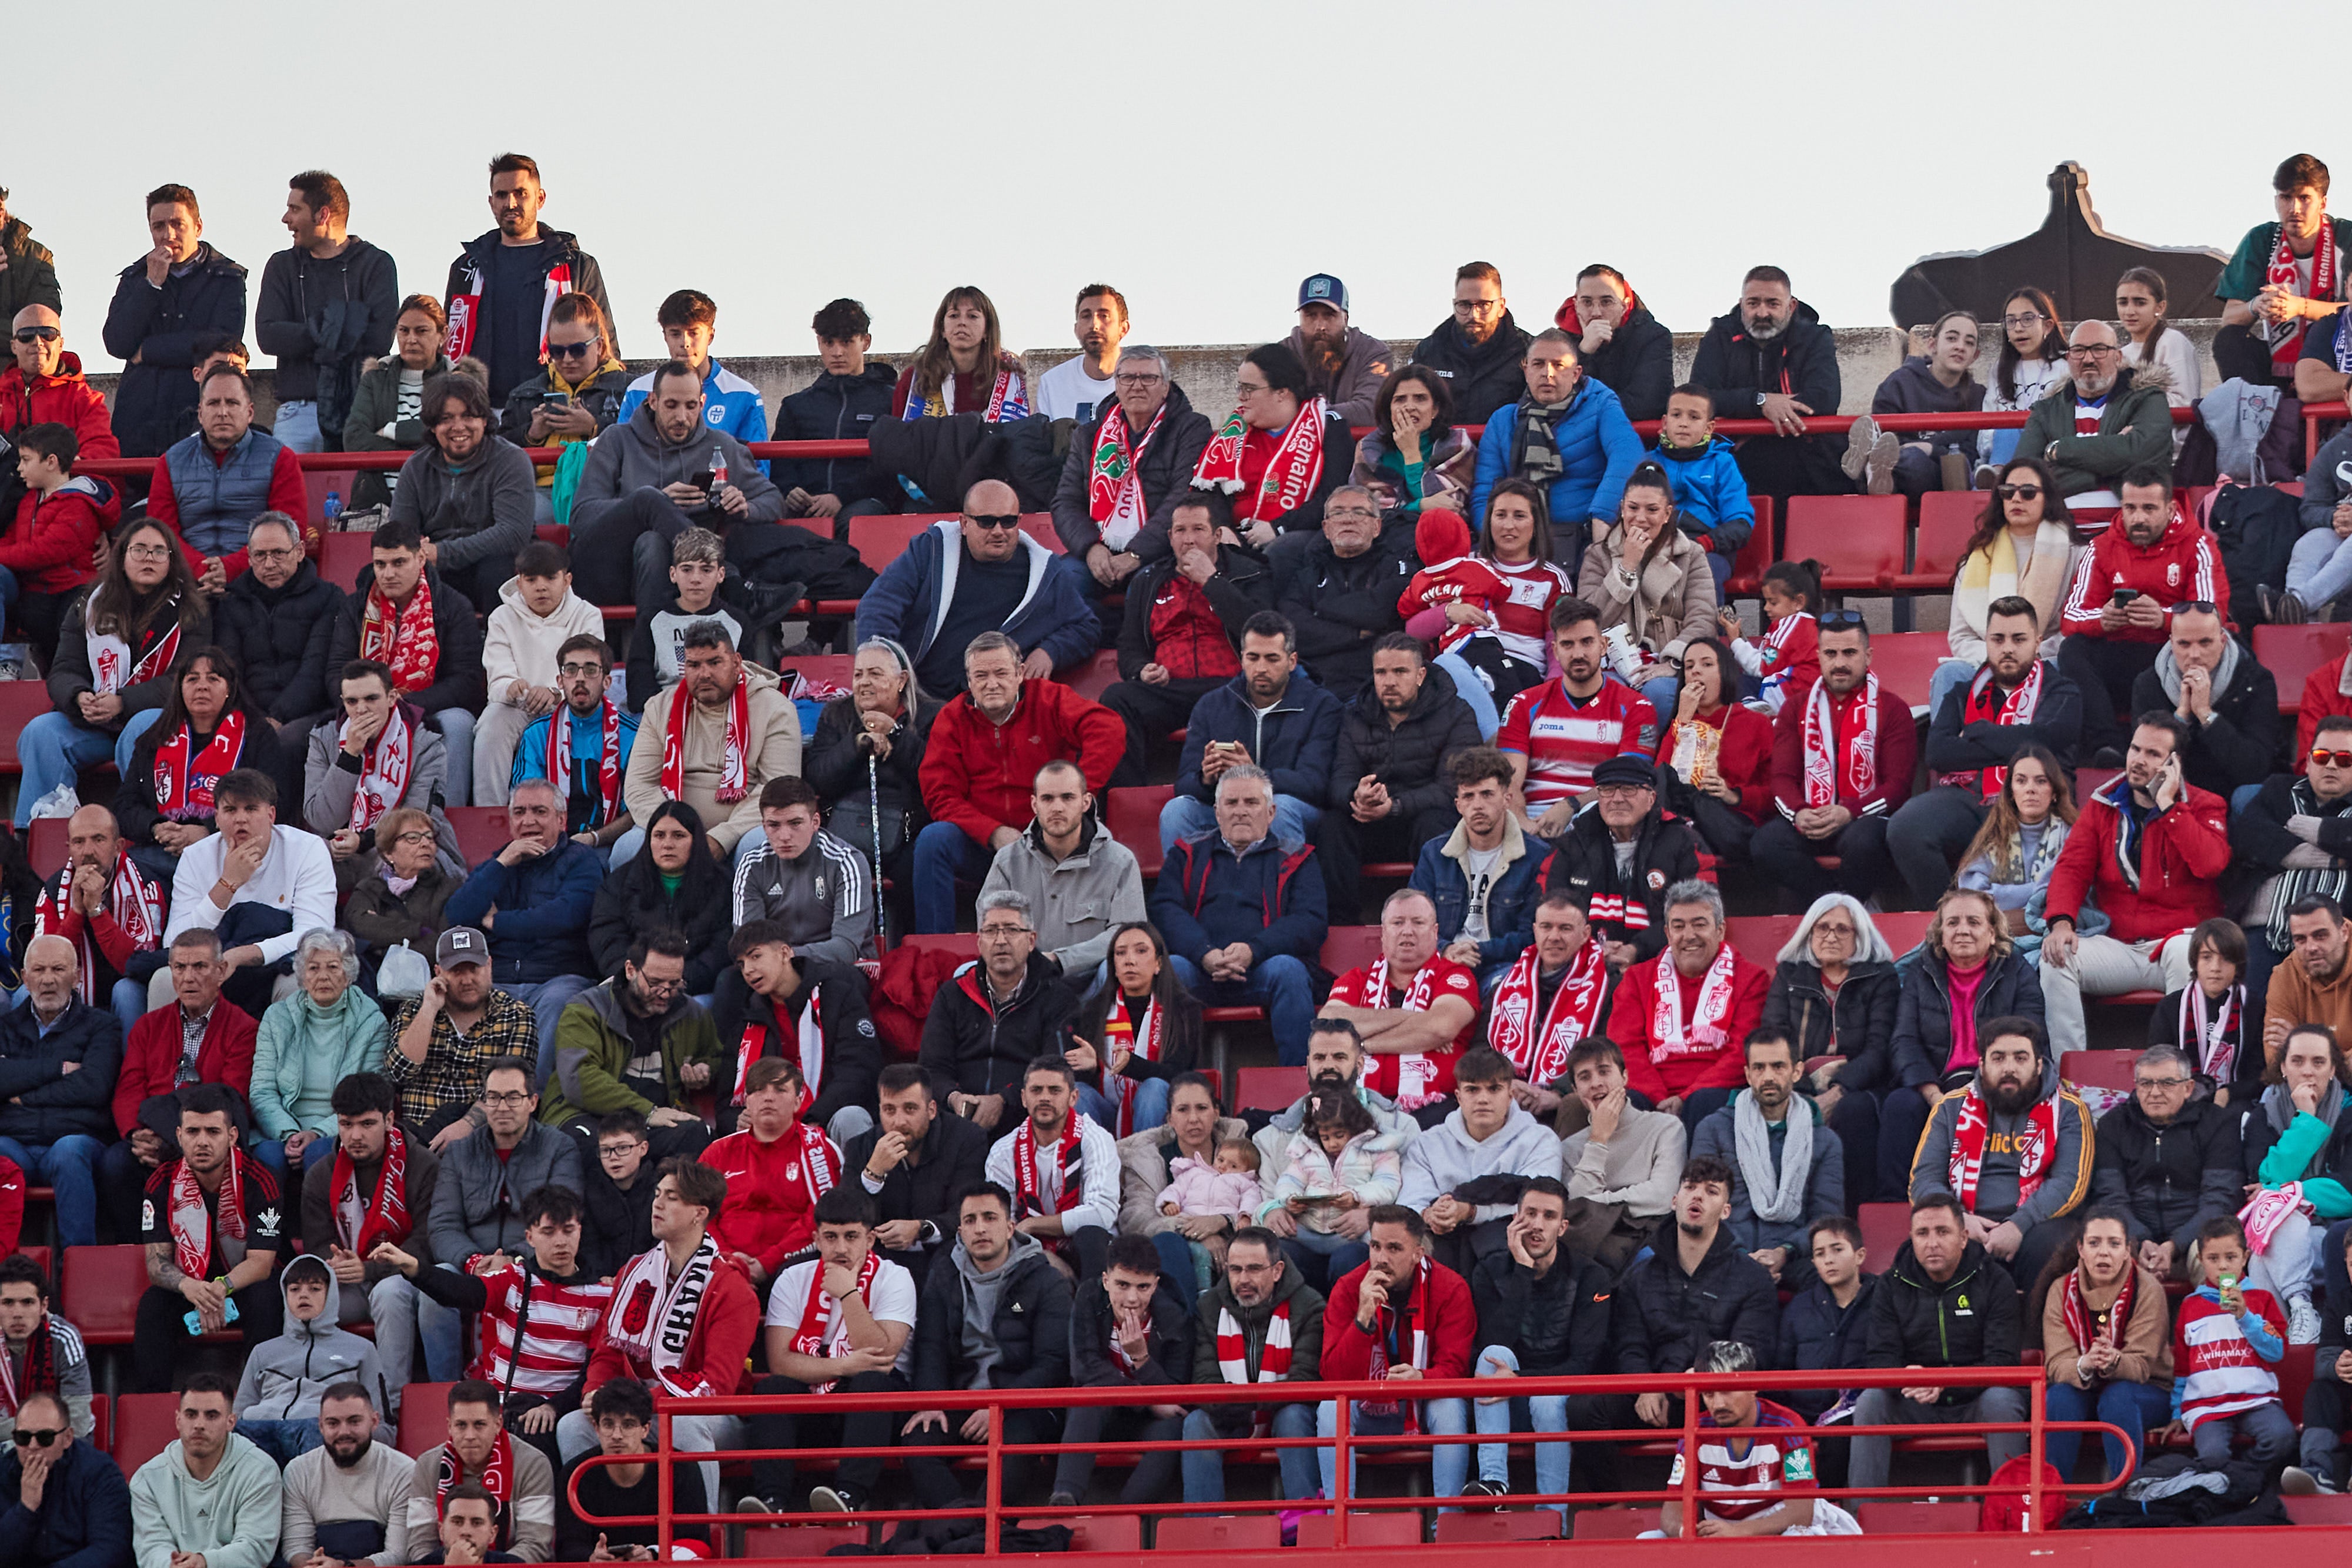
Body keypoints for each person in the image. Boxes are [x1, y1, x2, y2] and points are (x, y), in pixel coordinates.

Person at [556, 1158, 758, 1512]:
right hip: (636, 1406)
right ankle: (591, 1535)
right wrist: (595, 1393)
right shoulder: (634, 1271)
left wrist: (639, 1405)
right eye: (657, 1194)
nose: (658, 1204)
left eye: (672, 1198)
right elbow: (606, 1351)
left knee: (682, 1427)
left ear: (699, 1213)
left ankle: (699, 1539)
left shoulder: (732, 1289)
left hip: (708, 1412)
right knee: (574, 1426)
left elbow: (717, 1386)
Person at [2042, 713, 2227, 1052]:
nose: (2139, 760)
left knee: (2185, 951)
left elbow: (2210, 865)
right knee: (2057, 957)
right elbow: (2072, 869)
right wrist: (2061, 922)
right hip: (2119, 945)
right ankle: (2068, 1075)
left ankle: (2184, 1070)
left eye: (2153, 754)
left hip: (2176, 942)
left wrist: (2170, 807)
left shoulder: (2205, 804)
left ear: (2175, 764)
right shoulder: (2102, 804)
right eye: (2135, 749)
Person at [1572, 1161, 1778, 1460]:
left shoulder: (1752, 1278)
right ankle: (1612, 1504)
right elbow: (1630, 1345)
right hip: (1654, 1393)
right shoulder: (1640, 1275)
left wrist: (1700, 1381)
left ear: (1726, 1211)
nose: (1697, 1197)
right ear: (1674, 1201)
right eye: (1690, 1188)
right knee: (1581, 1410)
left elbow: (1750, 1351)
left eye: (1711, 1192)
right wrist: (1647, 1387)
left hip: (1716, 1396)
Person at [376, 1185, 610, 1445]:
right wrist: (414, 1266)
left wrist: (553, 1408)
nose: (560, 1241)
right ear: (530, 1237)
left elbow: (594, 1372)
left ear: (580, 1232)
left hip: (565, 1411)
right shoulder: (514, 1281)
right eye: (548, 1232)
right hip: (512, 1410)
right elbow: (462, 1291)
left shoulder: (602, 1295)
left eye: (569, 1231)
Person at [15, 517, 209, 829]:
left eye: (159, 552)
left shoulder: (192, 610)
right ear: (122, 556)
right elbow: (64, 668)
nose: (149, 558)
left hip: (156, 717)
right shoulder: (89, 604)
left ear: (172, 560)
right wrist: (80, 696)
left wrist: (123, 701)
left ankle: (139, 831)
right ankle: (40, 838)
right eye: (140, 550)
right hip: (93, 724)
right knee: (42, 731)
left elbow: (186, 679)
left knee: (142, 727)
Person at [1890, 597, 2083, 908]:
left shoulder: (2062, 691)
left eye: (2018, 639)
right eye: (1998, 639)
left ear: (2037, 642)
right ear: (1986, 642)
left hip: (2036, 800)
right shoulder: (1962, 693)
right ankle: (1950, 916)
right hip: (1969, 796)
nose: (2007, 648)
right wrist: (2019, 744)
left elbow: (2046, 744)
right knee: (1906, 826)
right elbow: (1939, 754)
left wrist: (1979, 733)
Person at [897, 1182, 1071, 1520]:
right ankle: (965, 1526)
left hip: (1023, 1405)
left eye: (990, 1218)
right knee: (918, 1440)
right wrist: (932, 1401)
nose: (980, 1228)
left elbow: (1053, 1363)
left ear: (1009, 1227)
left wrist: (999, 1406)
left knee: (1018, 1443)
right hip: (962, 1401)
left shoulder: (1044, 1279)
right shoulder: (943, 1273)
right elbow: (930, 1346)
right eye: (971, 1220)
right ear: (960, 1230)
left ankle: (974, 1528)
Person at [564, 359, 786, 611]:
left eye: (691, 406)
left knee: (653, 543)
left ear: (702, 404)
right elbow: (581, 517)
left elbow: (773, 499)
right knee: (648, 500)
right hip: (608, 568)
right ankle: (732, 582)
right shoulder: (616, 439)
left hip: (676, 575)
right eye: (671, 405)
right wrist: (655, 503)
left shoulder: (721, 446)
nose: (682, 417)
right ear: (653, 401)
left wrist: (746, 507)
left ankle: (645, 649)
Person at [1847, 1195, 2026, 1493]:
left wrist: (1944, 1383)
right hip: (1914, 1401)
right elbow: (1880, 1359)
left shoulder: (1996, 1281)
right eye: (1922, 1233)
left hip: (1976, 1400)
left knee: (2002, 1402)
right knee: (1870, 1403)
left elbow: (2003, 1362)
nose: (1932, 1243)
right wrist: (1908, 1377)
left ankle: (2017, 1512)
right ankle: (1861, 1521)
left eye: (1943, 1232)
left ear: (1964, 1237)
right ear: (1912, 1239)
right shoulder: (1890, 1284)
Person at [1452, 1179, 1611, 1513]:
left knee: (1547, 1397)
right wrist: (1523, 1270)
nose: (1538, 1225)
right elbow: (1490, 1347)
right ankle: (1494, 1483)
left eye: (1549, 1216)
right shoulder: (1490, 1270)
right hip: (1500, 1403)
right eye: (1530, 1214)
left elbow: (1583, 1363)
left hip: (1556, 1401)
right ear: (1515, 1219)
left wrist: (1521, 1380)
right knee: (1493, 1357)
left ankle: (1552, 1513)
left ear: (1563, 1227)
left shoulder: (1590, 1277)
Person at [1151, 764, 1327, 1064]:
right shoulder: (1186, 853)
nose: (1241, 811)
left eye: (1252, 802)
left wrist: (1253, 950)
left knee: (1289, 970)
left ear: (1271, 813)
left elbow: (1310, 921)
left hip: (1264, 968)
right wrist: (1204, 953)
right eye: (1231, 803)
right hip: (1200, 968)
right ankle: (1175, 1087)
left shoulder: (1298, 857)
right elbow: (1165, 910)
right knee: (1173, 970)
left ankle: (1301, 1084)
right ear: (1217, 813)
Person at [1883, 887, 2048, 1204]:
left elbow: (2031, 1035)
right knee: (1899, 1107)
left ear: (1991, 932)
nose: (1962, 930)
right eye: (1953, 923)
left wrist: (1985, 1085)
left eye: (1973, 922)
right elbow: (1904, 1040)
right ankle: (1895, 1206)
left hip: (1995, 1080)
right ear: (1940, 933)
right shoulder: (1920, 972)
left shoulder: (2017, 971)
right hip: (1934, 1082)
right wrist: (1933, 1094)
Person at [1095, 496, 1271, 784]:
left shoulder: (1250, 572)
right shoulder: (1149, 579)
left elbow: (1262, 631)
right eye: (1180, 531)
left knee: (1239, 701)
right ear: (1170, 537)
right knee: (1117, 698)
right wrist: (1141, 669)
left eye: (1199, 530)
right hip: (1170, 689)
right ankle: (1126, 802)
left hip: (1229, 687)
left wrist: (1211, 581)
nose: (1188, 540)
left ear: (1217, 535)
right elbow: (1129, 644)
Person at [2057, 472, 2226, 770]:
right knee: (2072, 650)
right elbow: (2072, 616)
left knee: (2188, 653)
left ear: (2170, 509)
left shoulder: (2197, 545)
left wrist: (2164, 618)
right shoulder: (2100, 547)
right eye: (2130, 508)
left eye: (2149, 509)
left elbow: (2212, 614)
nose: (2138, 518)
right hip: (2120, 651)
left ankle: (2165, 752)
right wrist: (2104, 619)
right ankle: (2106, 744)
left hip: (2171, 655)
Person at [1910, 1014, 2091, 1286]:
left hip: (2037, 1224)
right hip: (1965, 1221)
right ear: (1982, 1065)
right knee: (1928, 1249)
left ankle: (2036, 1330)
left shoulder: (2068, 1110)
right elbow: (1924, 1180)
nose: (2009, 1068)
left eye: (2020, 1058)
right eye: (1998, 1058)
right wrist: (1959, 1221)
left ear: (2039, 1065)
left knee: (2053, 1246)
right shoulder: (1950, 1107)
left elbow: (2070, 1183)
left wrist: (2018, 1225)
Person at [1312, 1203, 1474, 1504]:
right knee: (1329, 1409)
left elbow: (1456, 1367)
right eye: (1375, 1246)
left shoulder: (1451, 1288)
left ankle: (1448, 1524)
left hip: (1424, 1409)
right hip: (1371, 1409)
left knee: (1449, 1406)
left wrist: (1422, 1378)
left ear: (1418, 1253)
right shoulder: (1349, 1288)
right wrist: (1362, 1320)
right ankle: (1340, 1518)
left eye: (1394, 1248)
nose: (1381, 1259)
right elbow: (1334, 1378)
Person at [1753, 611, 1916, 909]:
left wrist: (1849, 811)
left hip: (1863, 819)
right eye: (1831, 653)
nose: (1839, 663)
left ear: (1868, 656)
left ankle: (1845, 906)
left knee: (1864, 841)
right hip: (1810, 818)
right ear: (1818, 656)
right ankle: (1833, 906)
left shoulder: (1893, 709)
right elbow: (1781, 779)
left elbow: (1899, 787)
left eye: (1849, 653)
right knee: (1765, 844)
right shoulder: (1795, 708)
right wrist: (1799, 813)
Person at [322, 516, 486, 804]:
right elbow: (337, 670)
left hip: (431, 706)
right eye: (380, 564)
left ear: (421, 558)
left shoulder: (453, 605)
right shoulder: (356, 606)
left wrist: (401, 708)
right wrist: (368, 706)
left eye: (399, 563)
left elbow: (466, 681)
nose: (388, 574)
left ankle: (447, 820)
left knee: (458, 726)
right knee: (318, 731)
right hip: (366, 706)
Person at [617, 620, 800, 871]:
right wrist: (678, 832)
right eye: (694, 665)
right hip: (673, 826)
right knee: (625, 851)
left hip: (743, 829)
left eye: (715, 663)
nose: (704, 674)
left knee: (758, 847)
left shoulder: (776, 709)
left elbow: (778, 790)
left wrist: (721, 838)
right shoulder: (660, 708)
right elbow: (640, 787)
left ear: (736, 663)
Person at [135, 1085, 285, 1392]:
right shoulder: (160, 1182)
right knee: (153, 1305)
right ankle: (152, 1403)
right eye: (193, 1131)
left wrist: (219, 1288)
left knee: (267, 1298)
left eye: (213, 1132)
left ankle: (266, 1400)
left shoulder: (261, 1180)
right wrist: (190, 1287)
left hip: (243, 1283)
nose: (202, 1141)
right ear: (179, 1136)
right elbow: (156, 1264)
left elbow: (261, 1264)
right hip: (189, 1284)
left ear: (231, 1136)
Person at [425, 1058, 584, 1343]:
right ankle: (444, 1386)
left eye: (513, 1097)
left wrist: (515, 1259)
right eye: (493, 1098)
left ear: (532, 1102)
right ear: (483, 1103)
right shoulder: (460, 1152)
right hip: (470, 1264)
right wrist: (472, 1261)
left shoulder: (559, 1147)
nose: (502, 1107)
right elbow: (443, 1224)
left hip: (534, 1263)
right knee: (435, 1287)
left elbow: (561, 1220)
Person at [294, 1071, 435, 1386]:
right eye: (346, 1124)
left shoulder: (422, 1165)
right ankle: (315, 1397)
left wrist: (371, 1269)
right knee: (304, 1299)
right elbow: (317, 1243)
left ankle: (391, 1402)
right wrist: (337, 1264)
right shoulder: (321, 1175)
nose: (355, 1135)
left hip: (408, 1279)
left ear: (389, 1120)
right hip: (348, 1281)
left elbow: (427, 1241)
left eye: (367, 1124)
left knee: (389, 1293)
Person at [443, 780, 600, 1059]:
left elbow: (564, 916)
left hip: (557, 977)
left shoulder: (582, 860)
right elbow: (457, 915)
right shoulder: (500, 862)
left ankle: (532, 1097)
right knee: (458, 1000)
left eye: (540, 811)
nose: (529, 820)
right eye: (519, 812)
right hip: (499, 978)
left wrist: (497, 922)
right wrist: (501, 865)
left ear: (562, 820)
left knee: (558, 1003)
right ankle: (486, 1099)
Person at [443, 152, 617, 403]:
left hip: (555, 407)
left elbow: (605, 344)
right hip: (480, 412)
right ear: (492, 202)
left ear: (540, 198)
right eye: (502, 195)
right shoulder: (466, 268)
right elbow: (448, 342)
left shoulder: (577, 265)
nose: (511, 203)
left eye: (520, 193)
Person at [1159, 611, 1341, 851]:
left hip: (1292, 812)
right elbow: (1183, 785)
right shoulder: (1211, 705)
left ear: (1292, 661)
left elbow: (1316, 785)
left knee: (1280, 808)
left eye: (1272, 659)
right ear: (1242, 658)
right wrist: (1206, 778)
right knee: (1177, 811)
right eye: (1253, 658)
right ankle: (1190, 889)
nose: (1261, 668)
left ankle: (1281, 888)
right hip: (1229, 809)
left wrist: (1255, 775)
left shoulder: (1322, 706)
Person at [1757, 896, 1898, 1205]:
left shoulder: (1881, 976)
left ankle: (1851, 1213)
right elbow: (1774, 1039)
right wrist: (1803, 1091)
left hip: (1858, 1085)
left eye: (1842, 929)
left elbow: (1879, 1048)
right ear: (1809, 932)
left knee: (1854, 1112)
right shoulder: (1790, 974)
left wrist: (1838, 1092)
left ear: (1859, 935)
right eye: (1822, 928)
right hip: (1797, 1080)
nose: (1831, 936)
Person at [1469, 328, 1641, 576]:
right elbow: (1485, 488)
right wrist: (1494, 534)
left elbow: (1628, 455)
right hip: (1516, 537)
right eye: (1538, 364)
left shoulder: (1600, 404)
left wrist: (1603, 516)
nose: (1547, 373)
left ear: (1576, 373)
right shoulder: (1503, 420)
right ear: (1526, 369)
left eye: (1559, 365)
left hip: (1583, 535)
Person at [537, 930, 720, 1161]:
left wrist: (704, 1070)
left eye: (674, 983)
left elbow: (715, 1057)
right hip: (587, 1116)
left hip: (653, 1123)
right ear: (630, 970)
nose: (665, 992)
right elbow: (580, 1079)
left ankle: (666, 1197)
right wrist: (648, 1112)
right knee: (593, 1148)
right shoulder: (585, 1009)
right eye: (654, 983)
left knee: (696, 1134)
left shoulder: (692, 1014)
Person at [1651, 1340, 1860, 1538]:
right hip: (1721, 1533)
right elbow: (1672, 1510)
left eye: (1728, 1392)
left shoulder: (1787, 1425)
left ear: (1753, 1386)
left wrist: (1739, 1532)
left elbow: (1801, 1511)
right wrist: (1686, 1532)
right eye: (1709, 1395)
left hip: (1778, 1529)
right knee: (1648, 1538)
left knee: (1800, 1538)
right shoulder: (1695, 1431)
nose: (1719, 1404)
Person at [1047, 1232, 1195, 1510]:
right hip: (1104, 1412)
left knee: (1175, 1427)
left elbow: (1177, 1394)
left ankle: (1128, 1511)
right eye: (1122, 1285)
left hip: (1147, 1423)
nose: (1131, 1298)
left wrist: (1142, 1358)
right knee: (1088, 1397)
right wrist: (1147, 1398)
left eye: (1142, 1287)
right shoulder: (1089, 1297)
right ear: (1106, 1281)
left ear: (1155, 1286)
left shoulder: (1175, 1318)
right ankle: (1065, 1497)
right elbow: (1085, 1369)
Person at [1604, 880, 1770, 1128]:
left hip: (1713, 1093)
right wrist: (1660, 1099)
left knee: (1706, 1102)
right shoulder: (1637, 979)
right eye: (1679, 926)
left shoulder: (1751, 978)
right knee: (1626, 1102)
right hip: (1651, 1093)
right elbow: (1625, 1049)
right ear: (1668, 934)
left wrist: (1685, 1097)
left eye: (1699, 925)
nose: (1689, 936)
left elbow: (1742, 1052)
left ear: (1721, 930)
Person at [1180, 1223, 1326, 1505]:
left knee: (1294, 1416)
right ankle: (1203, 1533)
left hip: (1285, 1413)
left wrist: (1247, 1399)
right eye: (1235, 1269)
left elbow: (1305, 1382)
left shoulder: (1309, 1305)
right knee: (1197, 1423)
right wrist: (1244, 1403)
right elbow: (1204, 1380)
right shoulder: (1208, 1307)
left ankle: (1306, 1521)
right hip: (1231, 1413)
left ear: (1278, 1270)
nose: (1243, 1279)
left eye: (1254, 1269)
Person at [1691, 1029, 1846, 1290]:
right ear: (1748, 1074)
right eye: (1759, 1068)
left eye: (1778, 1067)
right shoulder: (1714, 1128)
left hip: (1794, 1258)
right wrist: (1742, 1258)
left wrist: (1784, 1252)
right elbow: (1701, 1205)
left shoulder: (1824, 1140)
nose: (1768, 1077)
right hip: (1727, 1255)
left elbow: (1826, 1217)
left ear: (1797, 1072)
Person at [376, 370, 536, 621]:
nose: (458, 427)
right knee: (377, 574)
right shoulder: (416, 467)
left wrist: (441, 553)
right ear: (431, 425)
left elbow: (512, 533)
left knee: (496, 570)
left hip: (492, 564)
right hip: (435, 568)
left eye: (468, 416)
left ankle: (497, 650)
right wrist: (421, 554)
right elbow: (400, 533)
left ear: (485, 420)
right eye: (446, 418)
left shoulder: (511, 460)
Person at [1495, 596, 1662, 837]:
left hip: (1598, 821)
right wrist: (1524, 825)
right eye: (1568, 645)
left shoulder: (1637, 707)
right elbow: (1509, 781)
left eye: (1587, 642)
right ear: (1555, 650)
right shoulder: (1523, 704)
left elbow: (1627, 783)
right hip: (1532, 821)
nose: (1578, 654)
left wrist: (1570, 805)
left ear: (1604, 646)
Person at [255, 170, 396, 454]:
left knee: (356, 499)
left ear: (323, 216)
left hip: (359, 411)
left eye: (295, 209)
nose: (286, 219)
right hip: (297, 410)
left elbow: (379, 340)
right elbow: (268, 336)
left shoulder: (376, 264)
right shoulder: (282, 266)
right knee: (291, 498)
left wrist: (310, 335)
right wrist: (336, 327)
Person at [103, 184, 248, 460]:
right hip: (138, 420)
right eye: (158, 226)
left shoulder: (227, 277)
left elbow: (221, 343)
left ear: (198, 227)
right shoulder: (136, 278)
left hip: (195, 418)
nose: (168, 235)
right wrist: (152, 284)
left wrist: (146, 351)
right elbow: (117, 343)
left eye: (177, 224)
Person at [1050, 342, 1214, 579]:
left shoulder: (1191, 428)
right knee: (1063, 580)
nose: (1137, 386)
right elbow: (1065, 501)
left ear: (1166, 387)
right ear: (1116, 385)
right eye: (1127, 378)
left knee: (1144, 587)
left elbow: (1182, 496)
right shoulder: (1088, 436)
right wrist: (1091, 548)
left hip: (1160, 553)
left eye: (1148, 378)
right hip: (1098, 551)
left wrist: (1137, 554)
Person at [1933, 458, 2084, 714]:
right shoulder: (1976, 558)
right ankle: (1946, 752)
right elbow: (1960, 637)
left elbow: (2075, 629)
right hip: (1985, 660)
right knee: (1948, 674)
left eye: (2027, 492)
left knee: (2071, 666)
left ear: (2047, 497)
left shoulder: (2076, 555)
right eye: (2008, 492)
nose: (2016, 499)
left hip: (2046, 659)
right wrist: (2001, 655)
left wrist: (2027, 655)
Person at [918, 890, 1081, 1126]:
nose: (1001, 940)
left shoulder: (1057, 998)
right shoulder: (952, 995)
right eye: (991, 930)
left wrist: (1003, 1100)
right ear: (979, 941)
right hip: (956, 1120)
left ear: (1031, 940)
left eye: (1012, 930)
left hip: (1028, 1120)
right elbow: (932, 1067)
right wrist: (953, 1098)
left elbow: (1054, 1069)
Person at [710, 918, 877, 1146]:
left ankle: (857, 1183)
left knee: (851, 1118)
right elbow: (726, 1100)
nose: (748, 970)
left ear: (785, 953)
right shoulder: (747, 1015)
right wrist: (737, 1121)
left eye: (756, 956)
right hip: (769, 1132)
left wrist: (811, 1119)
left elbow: (857, 1072)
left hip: (825, 1120)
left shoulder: (838, 996)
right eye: (741, 964)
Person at [1396, 1045, 1560, 1276]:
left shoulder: (1541, 1140)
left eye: (1494, 1089)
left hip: (1508, 1247)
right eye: (1473, 1090)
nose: (1483, 1099)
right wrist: (1430, 1215)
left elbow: (1541, 1207)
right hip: (1441, 1240)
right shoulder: (1427, 1143)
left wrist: (1471, 1212)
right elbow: (1409, 1202)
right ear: (1459, 1097)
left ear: (1510, 1095)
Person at [0, 934, 118, 1252]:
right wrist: (58, 1070)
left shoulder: (102, 1026)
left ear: (76, 977)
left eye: (58, 969)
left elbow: (94, 1087)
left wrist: (23, 1094)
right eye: (38, 971)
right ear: (25, 978)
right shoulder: (5, 1027)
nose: (48, 980)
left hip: (75, 1138)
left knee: (69, 1152)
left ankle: (79, 1269)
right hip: (14, 1141)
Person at [1317, 888, 1479, 1119]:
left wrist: (1361, 1045)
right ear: (1383, 933)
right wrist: (1417, 1023)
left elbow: (1440, 1027)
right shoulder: (1356, 979)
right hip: (1355, 1104)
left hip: (1435, 1107)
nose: (1407, 931)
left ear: (1435, 932)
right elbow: (1328, 1027)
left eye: (1418, 922)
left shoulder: (1455, 975)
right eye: (1398, 923)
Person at [979, 763, 1147, 983]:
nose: (1057, 807)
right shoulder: (1007, 861)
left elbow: (1128, 935)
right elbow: (989, 927)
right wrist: (1031, 964)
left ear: (1086, 802)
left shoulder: (1120, 861)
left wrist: (1061, 960)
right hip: (1026, 981)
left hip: (1092, 984)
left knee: (1117, 971)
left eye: (1067, 798)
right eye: (1048, 799)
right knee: (964, 973)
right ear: (1034, 804)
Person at [302, 658, 460, 891]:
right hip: (340, 854)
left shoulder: (426, 740)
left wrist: (363, 841)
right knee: (303, 866)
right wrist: (350, 756)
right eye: (352, 702)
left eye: (371, 699)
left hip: (402, 848)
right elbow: (321, 820)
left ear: (392, 698)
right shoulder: (324, 737)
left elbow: (419, 822)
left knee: (407, 858)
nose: (361, 709)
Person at [1689, 266, 1844, 500]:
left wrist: (1758, 413)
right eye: (1753, 304)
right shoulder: (1720, 336)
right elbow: (1700, 397)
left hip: (1803, 454)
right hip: (1737, 454)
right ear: (1742, 305)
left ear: (1791, 306)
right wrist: (1760, 401)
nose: (1762, 313)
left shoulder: (1815, 337)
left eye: (1772, 304)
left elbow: (1824, 398)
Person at [1189, 342, 1352, 561]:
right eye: (1240, 388)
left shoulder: (1328, 428)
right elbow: (1208, 495)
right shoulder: (1234, 433)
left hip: (1295, 536)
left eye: (1249, 389)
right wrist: (1220, 528)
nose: (1241, 397)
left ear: (1282, 393)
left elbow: (1333, 495)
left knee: (1281, 552)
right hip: (1234, 536)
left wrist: (1279, 527)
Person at [147, 365, 308, 587]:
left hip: (260, 582)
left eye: (232, 403)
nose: (223, 412)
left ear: (250, 412)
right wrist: (203, 570)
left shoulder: (280, 459)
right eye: (214, 403)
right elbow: (160, 533)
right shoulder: (170, 462)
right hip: (187, 583)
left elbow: (290, 531)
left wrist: (232, 568)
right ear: (201, 413)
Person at [1545, 746, 1703, 972]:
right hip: (1581, 966)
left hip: (1664, 966)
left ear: (1651, 798)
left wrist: (1637, 950)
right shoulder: (1572, 844)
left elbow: (1699, 913)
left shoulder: (1684, 842)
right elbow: (1548, 910)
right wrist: (1591, 949)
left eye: (1629, 789)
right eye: (1607, 790)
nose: (1617, 799)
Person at [2240, 1025, 2352, 1344]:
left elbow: (2348, 1192)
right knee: (2271, 1225)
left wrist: (2289, 1193)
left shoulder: (2350, 1113)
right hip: (2287, 1241)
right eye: (2298, 1061)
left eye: (2318, 1062)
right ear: (2283, 1067)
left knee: (2271, 1223)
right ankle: (2300, 1311)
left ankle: (2278, 1332)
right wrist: (2307, 1120)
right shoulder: (2264, 1115)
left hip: (2334, 1236)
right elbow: (2263, 1182)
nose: (2307, 1071)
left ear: (2333, 1069)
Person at [2092, 1043, 2238, 1288]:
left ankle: (2224, 1322)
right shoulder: (2113, 1125)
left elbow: (2220, 1200)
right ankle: (2104, 1326)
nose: (2155, 1092)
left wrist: (2175, 1245)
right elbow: (2110, 1198)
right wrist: (2139, 1240)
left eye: (2167, 1083)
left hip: (2195, 1236)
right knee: (2099, 1249)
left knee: (2218, 1258)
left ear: (2188, 1088)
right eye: (2146, 1083)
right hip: (2133, 1236)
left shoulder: (2218, 1123)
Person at [1579, 461, 1718, 716]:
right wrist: (1627, 566)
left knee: (1659, 693)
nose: (1640, 518)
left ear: (1667, 514)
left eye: (1652, 510)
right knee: (1606, 695)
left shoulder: (1691, 555)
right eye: (1633, 508)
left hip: (1669, 662)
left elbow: (1703, 617)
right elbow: (1589, 619)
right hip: (1614, 664)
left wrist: (1673, 662)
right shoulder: (1597, 555)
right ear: (1622, 509)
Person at [472, 543, 607, 807]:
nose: (541, 586)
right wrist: (511, 687)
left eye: (550, 577)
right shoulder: (501, 617)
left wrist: (555, 693)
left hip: (568, 705)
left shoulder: (588, 615)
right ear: (519, 583)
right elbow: (497, 677)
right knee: (491, 725)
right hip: (517, 706)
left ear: (567, 580)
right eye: (531, 579)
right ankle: (490, 814)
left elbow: (590, 673)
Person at [249, 930, 388, 1182]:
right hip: (282, 1128)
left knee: (321, 1153)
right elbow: (262, 1090)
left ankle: (321, 1224)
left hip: (343, 1129)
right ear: (302, 977)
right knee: (269, 1156)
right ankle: (268, 1225)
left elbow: (369, 1096)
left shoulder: (372, 1021)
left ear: (348, 975)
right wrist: (289, 1133)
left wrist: (317, 1133)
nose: (323, 976)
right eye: (313, 968)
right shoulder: (276, 1018)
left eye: (333, 967)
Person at [696, 1055, 841, 1296]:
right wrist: (728, 1259)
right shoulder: (718, 1152)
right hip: (721, 1267)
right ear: (746, 1102)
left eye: (780, 1090)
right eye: (758, 1090)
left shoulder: (818, 1149)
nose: (768, 1097)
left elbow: (821, 1216)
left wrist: (767, 1263)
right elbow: (697, 1213)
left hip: (794, 1271)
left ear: (798, 1101)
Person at [229, 1253, 391, 1467]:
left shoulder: (362, 1349)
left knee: (319, 1430)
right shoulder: (262, 1351)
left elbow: (384, 1426)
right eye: (295, 1289)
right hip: (264, 1431)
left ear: (331, 1294)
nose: (303, 1296)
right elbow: (238, 1417)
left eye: (315, 1289)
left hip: (322, 1433)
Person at [2212, 154, 2351, 391]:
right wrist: (2257, 304)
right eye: (2286, 198)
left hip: (2336, 356)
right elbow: (2229, 320)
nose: (2294, 208)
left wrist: (2301, 308)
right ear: (2276, 201)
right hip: (2278, 362)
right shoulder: (2261, 240)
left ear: (2323, 203)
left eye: (2304, 198)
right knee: (2229, 340)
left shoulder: (2346, 236)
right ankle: (2257, 415)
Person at [385, 930, 536, 1146]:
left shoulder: (517, 1015)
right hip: (418, 1134)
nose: (467, 980)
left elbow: (514, 1086)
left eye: (474, 969)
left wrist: (466, 1125)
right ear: (438, 972)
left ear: (490, 965)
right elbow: (399, 1073)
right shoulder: (414, 1009)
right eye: (456, 971)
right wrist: (429, 1009)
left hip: (485, 1134)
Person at [841, 1064, 990, 1285]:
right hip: (881, 1260)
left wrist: (922, 1228)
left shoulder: (966, 1139)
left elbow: (967, 1208)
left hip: (945, 1256)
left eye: (910, 1109)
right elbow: (844, 1218)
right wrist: (873, 1174)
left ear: (931, 1109)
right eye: (889, 1110)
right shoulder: (861, 1147)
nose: (899, 1122)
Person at [2132, 593, 2285, 807]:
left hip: (2233, 792)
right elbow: (2145, 768)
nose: (2195, 654)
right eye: (2184, 644)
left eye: (2205, 643)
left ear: (2222, 641)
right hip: (2173, 793)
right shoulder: (2149, 684)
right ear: (2172, 643)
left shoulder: (2256, 681)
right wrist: (2181, 719)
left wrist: (2206, 715)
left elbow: (2255, 768)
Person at [1259, 1071, 1406, 1290]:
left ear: (1355, 1127)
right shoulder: (1306, 1153)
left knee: (1353, 1258)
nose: (1333, 1144)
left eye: (1340, 1135)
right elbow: (1289, 1180)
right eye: (1325, 1138)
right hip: (1309, 1231)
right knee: (1275, 1251)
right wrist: (1289, 1200)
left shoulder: (1377, 1149)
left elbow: (1388, 1184)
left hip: (1352, 1236)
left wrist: (1358, 1198)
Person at [2169, 1217, 2297, 1465]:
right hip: (2207, 1406)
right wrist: (2177, 1412)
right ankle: (2233, 1482)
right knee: (2213, 1455)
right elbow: (2182, 1367)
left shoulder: (2261, 1300)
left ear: (2245, 1258)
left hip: (2256, 1400)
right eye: (2213, 1259)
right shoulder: (2190, 1306)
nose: (2223, 1267)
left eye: (2231, 1257)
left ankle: (2242, 1477)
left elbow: (2276, 1351)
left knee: (2282, 1438)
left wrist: (2246, 1317)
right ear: (2201, 1261)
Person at [1411, 748, 1545, 985]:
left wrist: (1478, 951)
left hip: (1504, 966)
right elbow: (1415, 920)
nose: (1478, 805)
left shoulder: (1536, 856)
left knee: (1501, 988)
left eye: (1487, 794)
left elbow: (1532, 934)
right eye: (1469, 796)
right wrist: (1447, 949)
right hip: (1443, 962)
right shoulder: (1435, 854)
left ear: (1507, 799)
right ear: (1458, 804)